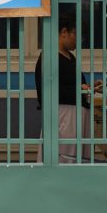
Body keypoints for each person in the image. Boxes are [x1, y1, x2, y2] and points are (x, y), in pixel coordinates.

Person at [38, 17, 96, 163]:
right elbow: (49, 89)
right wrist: (78, 89)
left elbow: (74, 84)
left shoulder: (70, 57)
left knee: (78, 159)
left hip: (77, 114)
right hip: (63, 115)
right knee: (64, 157)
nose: (79, 40)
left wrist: (88, 87)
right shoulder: (49, 57)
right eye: (76, 34)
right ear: (64, 32)